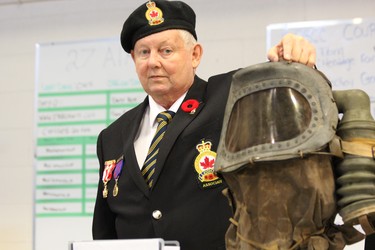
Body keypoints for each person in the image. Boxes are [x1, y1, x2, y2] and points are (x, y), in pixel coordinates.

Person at [92, 1, 318, 249]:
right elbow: (105, 230)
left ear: (195, 54)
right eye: (144, 52)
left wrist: (297, 61)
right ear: (134, 58)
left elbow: (289, 97)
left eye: (166, 51)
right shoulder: (112, 136)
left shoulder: (230, 96)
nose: (153, 62)